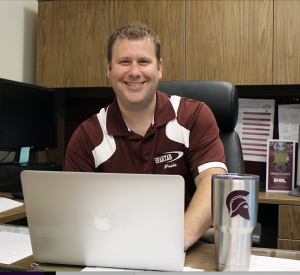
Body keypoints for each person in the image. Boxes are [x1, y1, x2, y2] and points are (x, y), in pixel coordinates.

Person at [63, 23, 227, 251]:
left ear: (159, 68)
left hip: (186, 247)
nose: (134, 71)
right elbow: (74, 212)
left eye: (143, 61)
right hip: (113, 250)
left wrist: (172, 244)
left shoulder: (194, 116)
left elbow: (214, 184)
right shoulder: (86, 136)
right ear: (109, 68)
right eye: (124, 62)